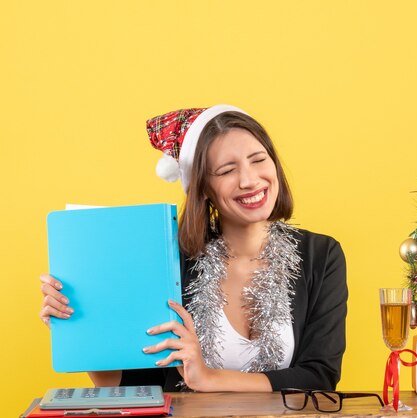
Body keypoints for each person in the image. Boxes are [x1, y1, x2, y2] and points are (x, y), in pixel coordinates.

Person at [39, 104, 348, 392]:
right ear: (203, 188)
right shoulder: (169, 260)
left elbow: (319, 377)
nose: (250, 180)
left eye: (258, 160)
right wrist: (82, 323)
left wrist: (209, 378)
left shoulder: (321, 256)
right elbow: (133, 382)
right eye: (227, 170)